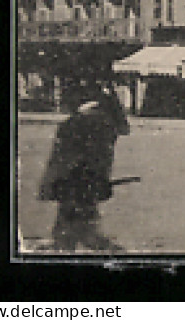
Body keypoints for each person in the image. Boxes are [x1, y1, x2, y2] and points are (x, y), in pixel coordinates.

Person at [38, 79, 129, 251]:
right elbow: (104, 152)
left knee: (73, 224)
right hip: (87, 179)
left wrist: (52, 183)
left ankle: (71, 245)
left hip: (71, 179)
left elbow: (63, 159)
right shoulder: (103, 123)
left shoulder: (73, 123)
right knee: (80, 223)